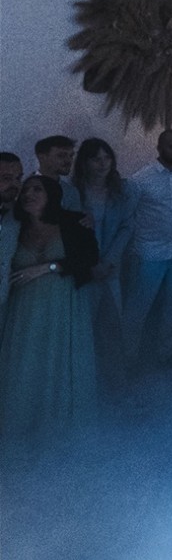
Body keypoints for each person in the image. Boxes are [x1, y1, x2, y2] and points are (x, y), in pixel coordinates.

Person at [0, 176, 98, 435]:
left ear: (51, 194)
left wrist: (47, 267)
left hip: (64, 305)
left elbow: (89, 258)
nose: (29, 194)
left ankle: (61, 424)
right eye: (25, 190)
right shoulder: (13, 226)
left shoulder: (75, 221)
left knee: (61, 358)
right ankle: (24, 424)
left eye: (37, 189)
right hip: (26, 310)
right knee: (28, 361)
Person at [123, 129, 172, 367]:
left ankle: (166, 353)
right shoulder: (141, 179)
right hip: (149, 251)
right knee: (138, 306)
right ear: (159, 148)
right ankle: (129, 357)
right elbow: (128, 214)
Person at [72, 138, 133, 387]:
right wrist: (89, 265)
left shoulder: (122, 190)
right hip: (84, 271)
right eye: (96, 158)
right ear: (84, 162)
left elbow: (127, 227)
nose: (102, 164)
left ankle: (115, 381)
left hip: (110, 268)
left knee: (112, 325)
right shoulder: (72, 192)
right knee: (84, 329)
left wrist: (108, 262)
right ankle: (86, 383)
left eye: (106, 158)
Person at [0, 153, 25, 316]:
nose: (14, 185)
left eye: (18, 178)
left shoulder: (23, 214)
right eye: (6, 178)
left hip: (8, 303)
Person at [34, 135, 81, 212]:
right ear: (42, 157)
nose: (69, 161)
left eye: (71, 156)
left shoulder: (71, 192)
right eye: (61, 156)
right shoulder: (23, 189)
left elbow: (75, 222)